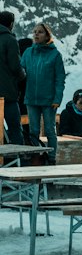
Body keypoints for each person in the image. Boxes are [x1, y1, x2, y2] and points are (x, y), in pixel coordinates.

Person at [21, 22, 66, 163]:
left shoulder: (55, 55)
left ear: (47, 35)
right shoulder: (28, 53)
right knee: (33, 131)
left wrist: (57, 99)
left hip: (49, 100)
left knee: (50, 130)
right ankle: (36, 159)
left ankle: (52, 159)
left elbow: (60, 79)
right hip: (31, 99)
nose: (36, 34)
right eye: (34, 31)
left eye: (40, 32)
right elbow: (20, 72)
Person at [0, 10, 22, 146]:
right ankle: (18, 161)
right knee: (14, 128)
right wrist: (23, 76)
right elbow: (15, 66)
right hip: (7, 93)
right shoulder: (10, 39)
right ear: (11, 24)